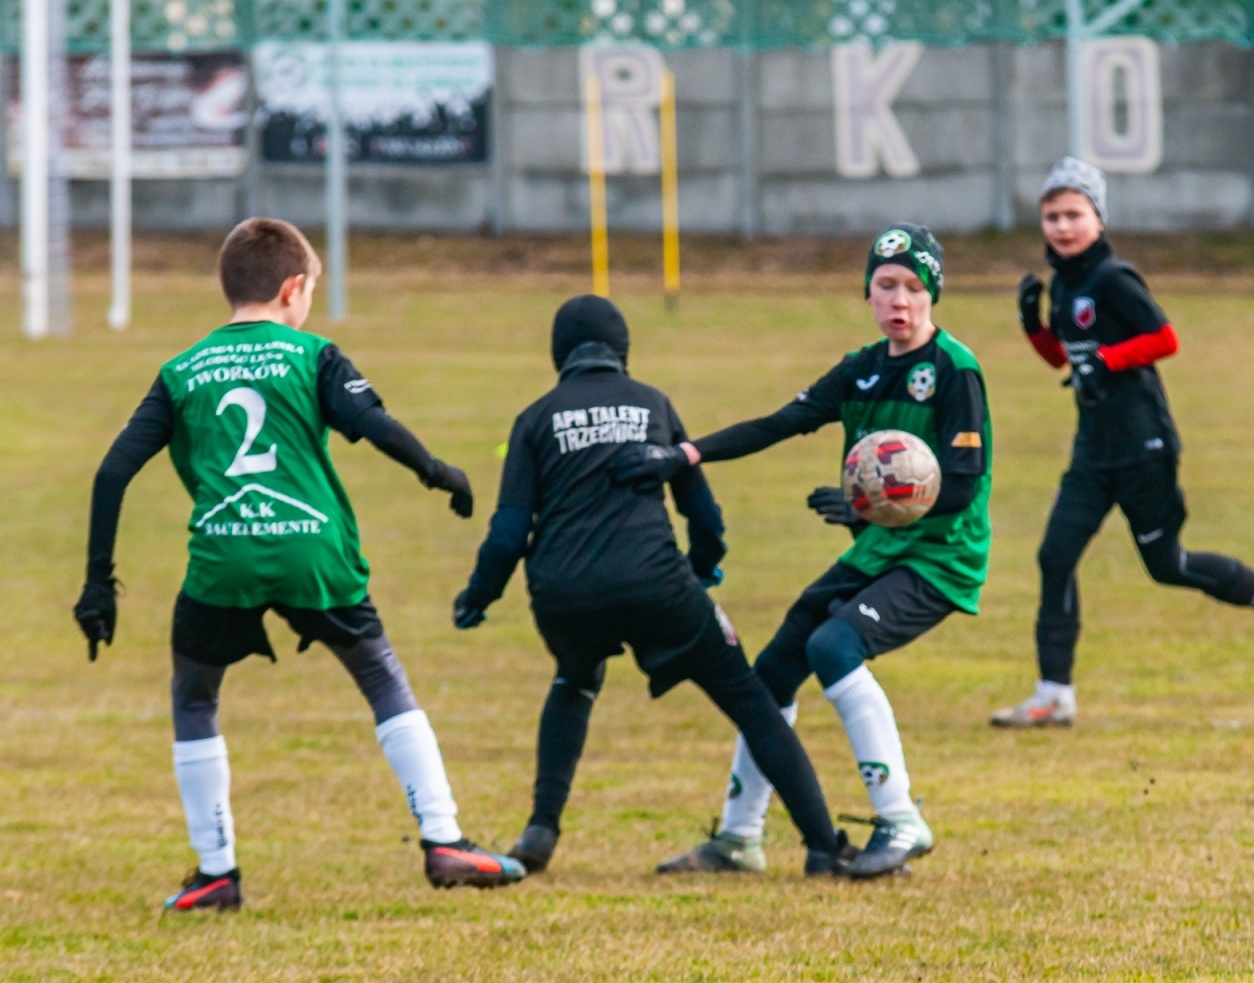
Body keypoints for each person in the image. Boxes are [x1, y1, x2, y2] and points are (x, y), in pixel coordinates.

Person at [72, 218, 525, 912]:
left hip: (223, 557)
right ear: (293, 288)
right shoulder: (312, 355)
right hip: (313, 551)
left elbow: (111, 473)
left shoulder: (182, 371)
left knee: (195, 698)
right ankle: (444, 841)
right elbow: (376, 426)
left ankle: (217, 871)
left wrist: (98, 581)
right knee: (381, 677)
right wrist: (439, 473)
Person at [614, 224, 991, 879]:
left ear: (933, 295)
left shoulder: (956, 370)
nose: (899, 301)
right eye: (886, 286)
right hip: (878, 550)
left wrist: (864, 506)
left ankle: (901, 821)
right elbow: (780, 423)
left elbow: (961, 487)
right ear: (869, 293)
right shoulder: (864, 368)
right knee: (774, 669)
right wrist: (687, 453)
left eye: (913, 288)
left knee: (833, 647)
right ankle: (738, 839)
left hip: (939, 559)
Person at [451, 295, 847, 877]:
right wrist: (704, 565)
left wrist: (478, 596)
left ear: (558, 354)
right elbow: (703, 513)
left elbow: (510, 533)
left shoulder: (535, 419)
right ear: (623, 351)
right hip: (657, 585)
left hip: (565, 595)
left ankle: (540, 828)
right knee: (751, 701)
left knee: (574, 680)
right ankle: (822, 847)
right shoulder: (653, 404)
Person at [990, 158, 1254, 729]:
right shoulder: (1065, 282)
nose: (1062, 226)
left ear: (1098, 217)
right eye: (1052, 216)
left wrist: (1109, 361)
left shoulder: (1114, 278)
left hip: (1144, 446)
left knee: (1167, 565)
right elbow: (1064, 361)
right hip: (1092, 451)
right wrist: (1033, 327)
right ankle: (1054, 693)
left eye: (1074, 214)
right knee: (1055, 557)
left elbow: (1164, 338)